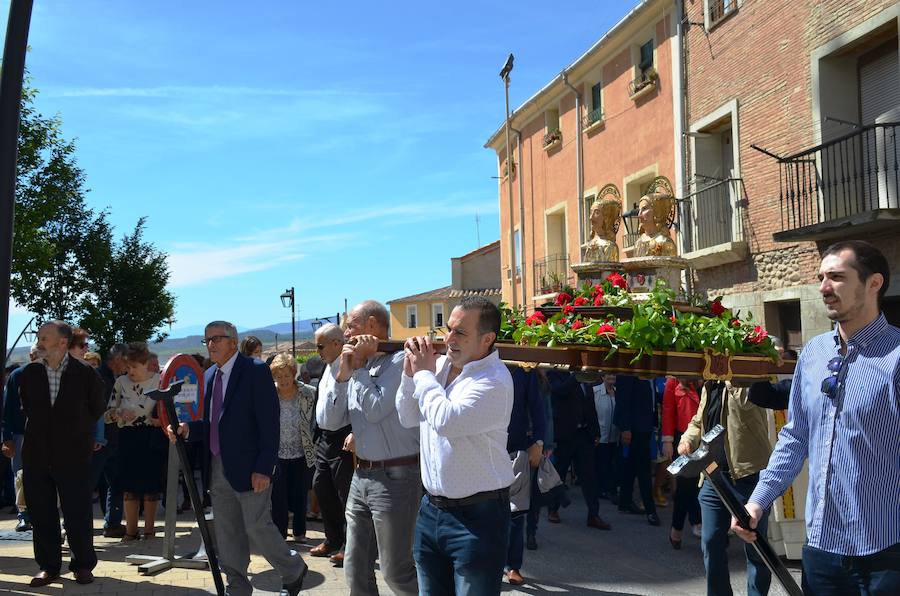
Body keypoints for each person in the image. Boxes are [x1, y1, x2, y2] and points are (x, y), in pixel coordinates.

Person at [735, 240, 900, 595]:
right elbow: (795, 438)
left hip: (886, 553)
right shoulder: (813, 353)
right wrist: (757, 501)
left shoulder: (897, 357)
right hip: (822, 551)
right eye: (821, 277)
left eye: (837, 277)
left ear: (874, 283)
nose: (824, 287)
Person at [166, 321, 307, 596]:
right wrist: (187, 429)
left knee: (256, 526)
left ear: (233, 342)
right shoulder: (208, 376)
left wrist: (264, 468)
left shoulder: (254, 371)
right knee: (228, 532)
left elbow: (269, 423)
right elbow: (211, 424)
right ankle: (237, 587)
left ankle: (292, 569)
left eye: (217, 338)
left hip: (251, 467)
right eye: (207, 340)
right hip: (217, 466)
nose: (211, 344)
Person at [397, 297, 515, 594]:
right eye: (448, 329)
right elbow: (408, 416)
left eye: (460, 332)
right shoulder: (437, 368)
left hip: (479, 516)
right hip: (431, 510)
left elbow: (446, 421)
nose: (449, 339)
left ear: (487, 339)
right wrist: (410, 375)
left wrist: (423, 374)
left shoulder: (495, 380)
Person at [332, 300, 419, 595]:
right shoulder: (360, 366)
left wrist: (356, 372)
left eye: (350, 325)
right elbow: (330, 420)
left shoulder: (399, 362)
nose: (345, 333)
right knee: (355, 568)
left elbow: (377, 409)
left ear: (371, 325)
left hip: (397, 477)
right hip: (361, 475)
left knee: (396, 572)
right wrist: (343, 377)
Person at [19, 321, 106, 587]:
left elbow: (97, 406)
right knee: (41, 512)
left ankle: (82, 565)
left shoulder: (85, 373)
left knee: (77, 512)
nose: (39, 341)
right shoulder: (29, 373)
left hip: (73, 455)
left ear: (62, 343)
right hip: (37, 454)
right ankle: (48, 567)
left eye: (45, 337)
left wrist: (76, 432)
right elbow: (25, 408)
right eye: (39, 337)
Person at [679, 380, 773, 596]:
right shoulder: (710, 384)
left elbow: (747, 401)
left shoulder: (748, 378)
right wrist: (687, 440)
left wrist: (731, 373)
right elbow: (697, 421)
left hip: (749, 474)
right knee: (711, 542)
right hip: (714, 477)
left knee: (756, 546)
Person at [103, 342, 166, 541]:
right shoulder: (121, 382)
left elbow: (169, 411)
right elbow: (107, 414)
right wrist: (119, 412)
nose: (130, 371)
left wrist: (159, 420)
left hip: (152, 438)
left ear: (145, 363)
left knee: (151, 486)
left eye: (134, 367)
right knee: (128, 486)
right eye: (127, 367)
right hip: (128, 438)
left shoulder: (160, 381)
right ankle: (131, 531)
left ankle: (149, 530)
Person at [543, 369, 610, 530]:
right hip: (566, 434)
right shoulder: (556, 373)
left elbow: (590, 405)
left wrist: (596, 432)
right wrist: (576, 377)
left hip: (584, 434)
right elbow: (560, 391)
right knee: (559, 473)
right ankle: (553, 509)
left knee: (589, 475)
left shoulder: (585, 377)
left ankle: (593, 514)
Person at [310, 323, 353, 566]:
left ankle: (348, 545)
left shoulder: (350, 366)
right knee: (322, 488)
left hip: (343, 438)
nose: (317, 351)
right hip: (325, 439)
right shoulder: (326, 367)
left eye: (320, 345)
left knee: (344, 495)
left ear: (337, 344)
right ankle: (332, 539)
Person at [503, 366, 547, 586]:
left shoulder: (524, 370)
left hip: (515, 448)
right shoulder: (477, 360)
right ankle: (490, 562)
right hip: (482, 448)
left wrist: (539, 442)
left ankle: (513, 566)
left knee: (515, 511)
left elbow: (537, 407)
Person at [269, 353, 317, 541]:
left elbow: (315, 420)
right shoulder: (269, 394)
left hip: (302, 451)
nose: (283, 380)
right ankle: (280, 534)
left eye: (287, 375)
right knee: (278, 496)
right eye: (279, 376)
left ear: (293, 374)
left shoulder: (308, 393)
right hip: (277, 452)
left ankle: (299, 531)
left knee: (300, 493)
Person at [661, 377, 702, 549]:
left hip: (707, 437)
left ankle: (698, 522)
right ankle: (678, 527)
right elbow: (668, 410)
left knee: (704, 485)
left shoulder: (708, 378)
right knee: (686, 485)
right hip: (684, 440)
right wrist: (668, 441)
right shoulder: (673, 381)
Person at [2, 342, 39, 532]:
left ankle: (41, 514)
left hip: (45, 435)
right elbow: (7, 409)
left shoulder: (54, 376)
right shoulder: (17, 376)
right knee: (20, 476)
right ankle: (23, 516)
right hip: (20, 434)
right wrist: (6, 438)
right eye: (34, 354)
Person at [614, 375, 659, 525]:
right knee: (644, 470)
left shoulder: (650, 374)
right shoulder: (629, 372)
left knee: (631, 465)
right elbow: (623, 401)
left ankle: (624, 501)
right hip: (635, 427)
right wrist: (625, 428)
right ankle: (650, 510)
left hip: (646, 425)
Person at [96, 343, 128, 538]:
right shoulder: (100, 378)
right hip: (101, 438)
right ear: (116, 359)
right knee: (92, 482)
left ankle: (112, 523)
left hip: (113, 437)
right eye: (125, 361)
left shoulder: (116, 377)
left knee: (115, 482)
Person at [590, 373, 619, 501]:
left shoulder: (618, 393)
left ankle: (609, 489)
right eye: (608, 375)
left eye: (613, 375)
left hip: (614, 436)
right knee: (601, 463)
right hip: (600, 435)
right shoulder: (595, 392)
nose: (611, 377)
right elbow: (592, 414)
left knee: (612, 464)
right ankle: (600, 489)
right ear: (602, 377)